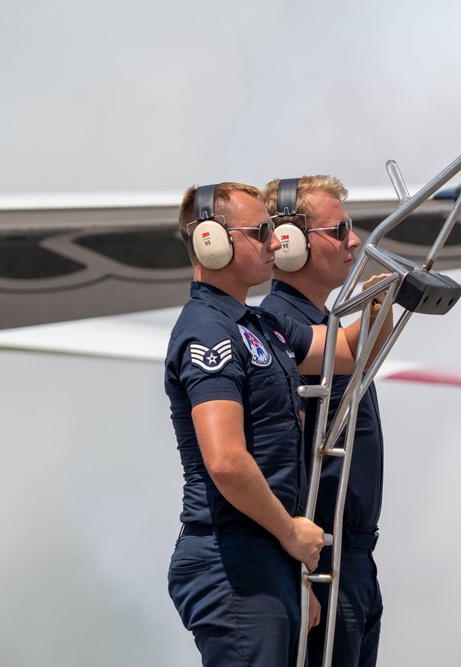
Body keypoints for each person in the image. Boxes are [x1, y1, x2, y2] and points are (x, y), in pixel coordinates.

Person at [165, 182, 389, 667]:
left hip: (266, 558)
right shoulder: (208, 328)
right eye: (261, 231)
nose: (275, 242)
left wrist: (383, 300)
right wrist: (290, 534)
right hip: (235, 555)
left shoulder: (258, 326)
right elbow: (225, 461)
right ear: (212, 241)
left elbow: (345, 354)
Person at [260, 176, 385, 667]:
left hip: (351, 559)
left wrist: (380, 305)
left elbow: (360, 352)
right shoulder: (277, 327)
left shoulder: (324, 327)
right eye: (339, 230)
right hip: (320, 562)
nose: (354, 241)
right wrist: (300, 577)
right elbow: (275, 463)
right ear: (289, 244)